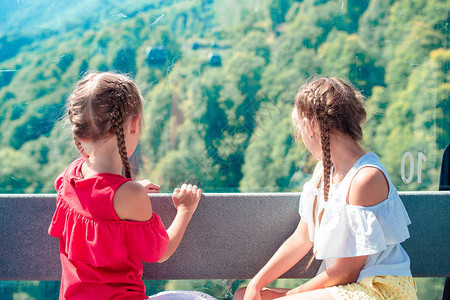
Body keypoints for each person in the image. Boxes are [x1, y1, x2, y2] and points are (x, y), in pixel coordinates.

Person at [234, 77, 417, 300]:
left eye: (300, 130)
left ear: (312, 126)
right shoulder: (324, 171)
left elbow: (347, 271)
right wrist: (256, 283)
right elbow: (301, 239)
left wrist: (288, 295)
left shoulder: (366, 178)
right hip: (346, 284)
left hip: (376, 287)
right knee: (243, 295)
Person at [48, 72, 216, 300]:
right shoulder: (130, 196)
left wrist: (125, 190)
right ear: (134, 124)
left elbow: (96, 196)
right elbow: (161, 253)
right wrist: (185, 210)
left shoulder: (69, 176)